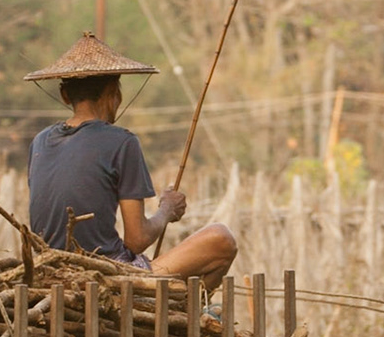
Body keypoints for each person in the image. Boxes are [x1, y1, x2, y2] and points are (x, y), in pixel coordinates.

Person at [24, 32, 237, 288]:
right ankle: (191, 311)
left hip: (48, 274)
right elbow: (136, 240)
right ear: (115, 93)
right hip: (108, 277)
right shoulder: (122, 142)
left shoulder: (40, 141)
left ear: (65, 96)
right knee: (221, 238)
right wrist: (166, 211)